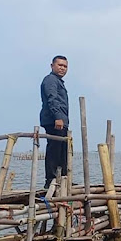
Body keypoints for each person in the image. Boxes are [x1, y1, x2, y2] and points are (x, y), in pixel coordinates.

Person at [40, 55, 69, 189]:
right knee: (54, 150)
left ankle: (62, 179)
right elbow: (52, 99)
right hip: (54, 120)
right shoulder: (51, 80)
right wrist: (58, 117)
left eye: (65, 66)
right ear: (52, 66)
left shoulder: (58, 82)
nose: (63, 68)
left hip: (61, 121)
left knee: (62, 151)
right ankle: (51, 180)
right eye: (60, 65)